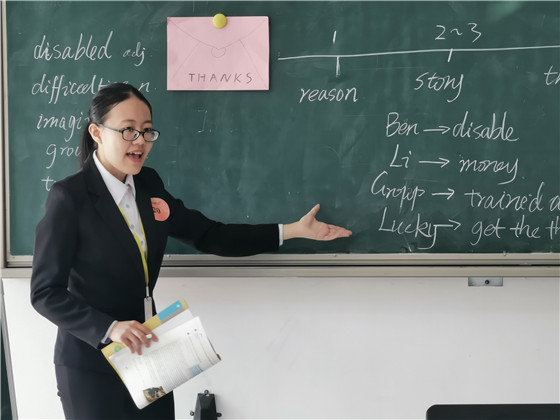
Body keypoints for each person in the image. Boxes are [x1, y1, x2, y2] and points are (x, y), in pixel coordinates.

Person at [30, 82, 352, 420]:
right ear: (97, 132)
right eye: (128, 130)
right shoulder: (70, 198)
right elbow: (45, 293)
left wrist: (292, 230)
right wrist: (110, 328)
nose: (140, 141)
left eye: (147, 131)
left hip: (148, 353)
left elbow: (210, 235)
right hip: (90, 365)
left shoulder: (149, 184)